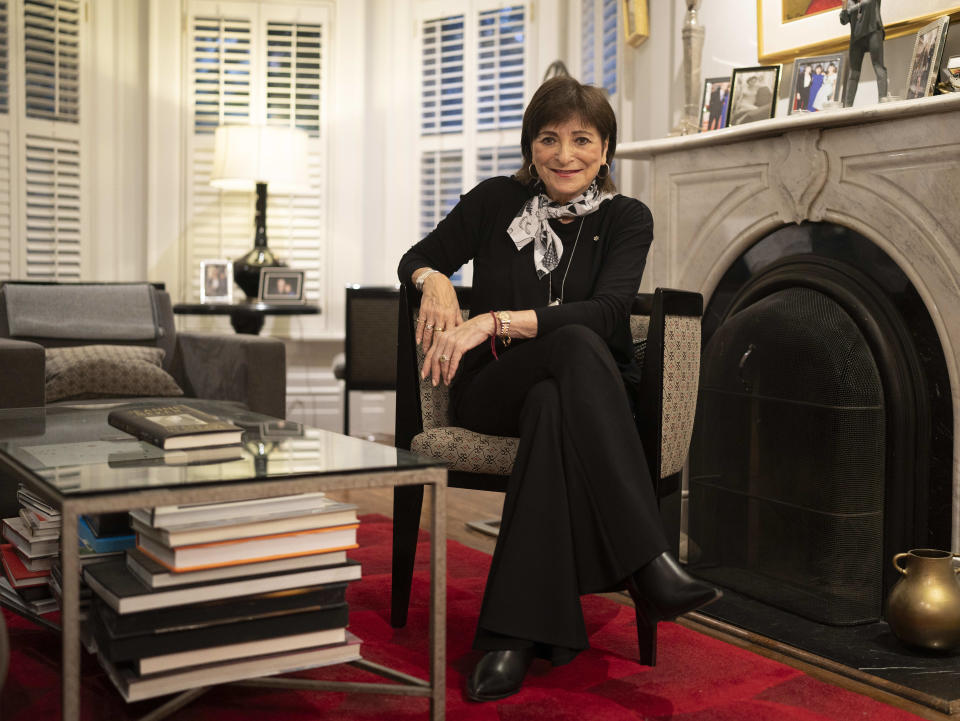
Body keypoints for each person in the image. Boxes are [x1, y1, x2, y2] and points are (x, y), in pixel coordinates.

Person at [397, 76, 721, 702]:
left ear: (605, 150)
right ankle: (647, 562)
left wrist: (494, 319)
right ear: (531, 148)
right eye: (549, 139)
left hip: (581, 394)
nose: (565, 154)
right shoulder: (494, 203)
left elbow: (608, 313)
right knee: (564, 356)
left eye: (582, 139)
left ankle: (509, 637)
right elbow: (415, 253)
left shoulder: (628, 218)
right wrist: (434, 277)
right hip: (494, 387)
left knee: (560, 386)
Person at [840, 0, 888, 106]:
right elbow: (844, 20)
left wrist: (850, 9)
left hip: (873, 30)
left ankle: (883, 100)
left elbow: (868, 2)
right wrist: (844, 9)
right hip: (856, 37)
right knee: (853, 73)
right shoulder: (849, 2)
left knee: (878, 66)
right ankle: (848, 107)